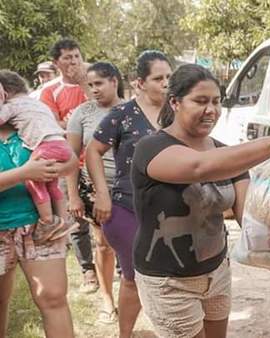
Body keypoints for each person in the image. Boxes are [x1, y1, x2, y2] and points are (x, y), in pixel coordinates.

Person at [131, 63, 270, 338]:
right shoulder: (152, 148)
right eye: (200, 101)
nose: (211, 110)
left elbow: (249, 215)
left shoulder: (227, 154)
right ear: (175, 102)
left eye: (216, 101)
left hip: (216, 272)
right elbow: (198, 168)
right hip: (168, 282)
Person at [86, 50, 172, 338]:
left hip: (170, 211)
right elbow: (93, 152)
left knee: (173, 279)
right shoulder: (122, 115)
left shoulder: (178, 112)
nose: (165, 83)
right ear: (140, 82)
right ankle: (125, 334)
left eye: (169, 77)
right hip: (127, 208)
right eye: (158, 78)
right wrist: (102, 194)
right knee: (133, 278)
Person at [0, 81, 78, 338]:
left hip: (40, 227)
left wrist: (57, 168)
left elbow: (68, 160)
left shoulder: (28, 117)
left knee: (54, 298)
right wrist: (24, 173)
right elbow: (28, 172)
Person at [65, 62, 124, 323]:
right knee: (103, 245)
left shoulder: (132, 110)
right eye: (90, 85)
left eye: (98, 83)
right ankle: (108, 301)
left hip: (130, 189)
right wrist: (74, 196)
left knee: (138, 245)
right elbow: (69, 158)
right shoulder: (82, 113)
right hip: (96, 192)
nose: (94, 90)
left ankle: (136, 297)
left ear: (114, 81)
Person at [39, 38, 99, 293]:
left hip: (98, 158)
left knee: (105, 212)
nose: (74, 62)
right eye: (67, 58)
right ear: (57, 63)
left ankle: (116, 264)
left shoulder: (94, 79)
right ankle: (88, 269)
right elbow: (54, 126)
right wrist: (75, 127)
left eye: (77, 56)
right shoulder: (50, 90)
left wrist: (85, 82)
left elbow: (101, 110)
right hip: (68, 162)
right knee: (75, 216)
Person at [0, 70, 78, 241]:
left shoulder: (17, 114)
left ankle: (50, 222)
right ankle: (60, 221)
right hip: (4, 228)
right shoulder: (36, 107)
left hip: (35, 229)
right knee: (51, 186)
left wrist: (50, 169)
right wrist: (25, 172)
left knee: (41, 184)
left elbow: (72, 163)